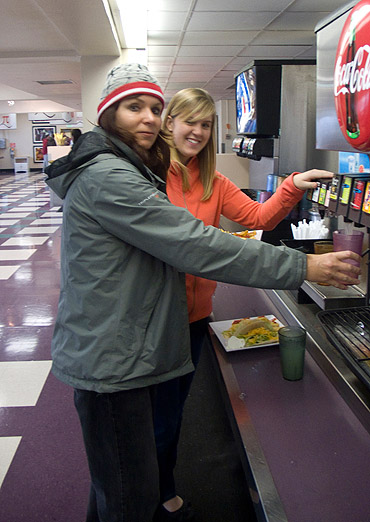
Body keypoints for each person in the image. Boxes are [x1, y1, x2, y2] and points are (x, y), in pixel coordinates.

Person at [44, 64, 360, 522]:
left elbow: (250, 221)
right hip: (116, 353)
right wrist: (305, 265)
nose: (150, 118)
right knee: (129, 490)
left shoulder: (138, 170)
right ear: (108, 115)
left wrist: (290, 187)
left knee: (122, 480)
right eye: (137, 108)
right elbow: (197, 246)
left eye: (155, 107)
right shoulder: (113, 178)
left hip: (141, 338)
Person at [153, 87, 342, 520]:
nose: (198, 132)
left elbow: (257, 218)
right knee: (157, 415)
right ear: (170, 124)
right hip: (156, 320)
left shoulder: (214, 183)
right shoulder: (150, 177)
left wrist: (292, 185)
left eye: (206, 125)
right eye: (190, 122)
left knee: (175, 406)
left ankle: (157, 482)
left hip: (196, 318)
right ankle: (158, 492)